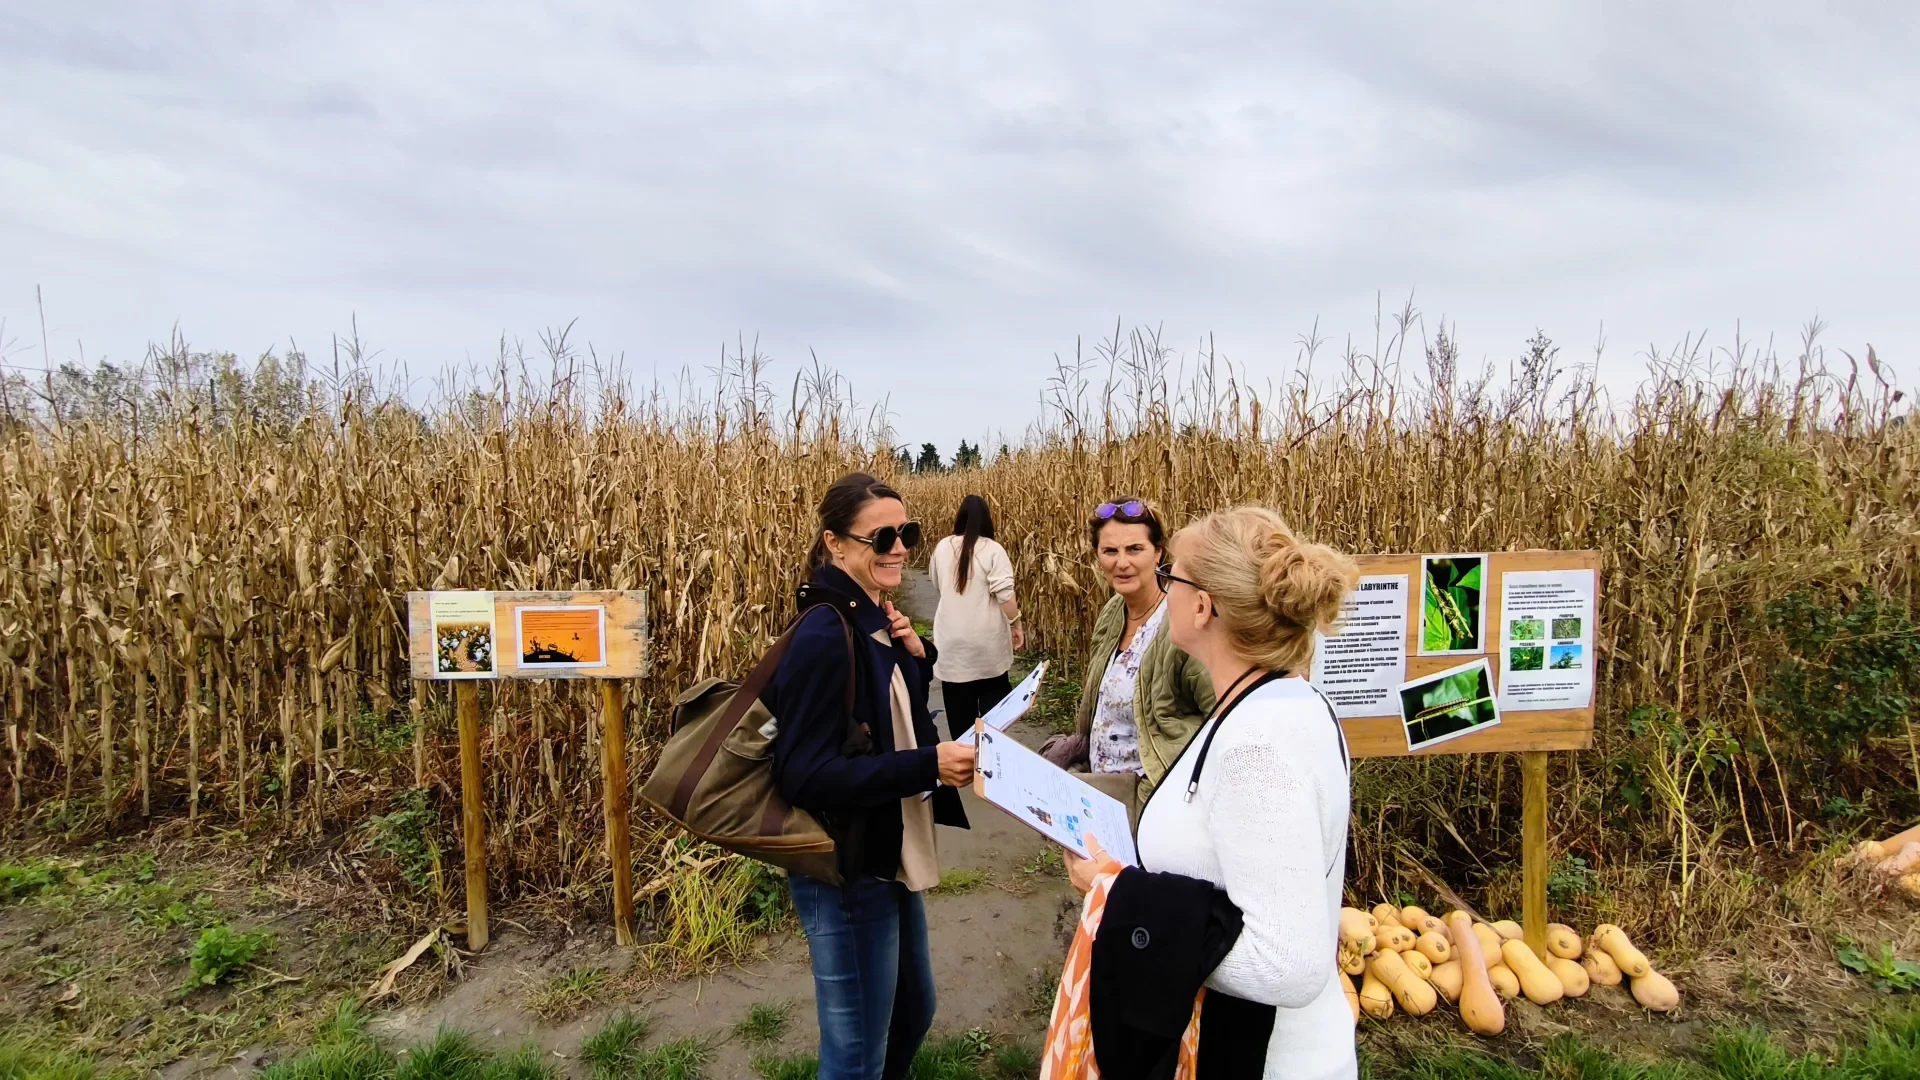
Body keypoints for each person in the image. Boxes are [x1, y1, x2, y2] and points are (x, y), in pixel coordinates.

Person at [1060, 506, 1358, 1079]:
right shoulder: (1271, 702)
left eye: (1172, 577)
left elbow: (1287, 963)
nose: (1161, 588)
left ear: (1203, 605)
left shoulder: (1257, 749)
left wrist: (1116, 895)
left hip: (1261, 1059)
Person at [767, 472, 977, 1080]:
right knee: (857, 1052)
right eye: (881, 536)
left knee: (913, 1010)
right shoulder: (824, 633)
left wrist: (918, 659)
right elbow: (803, 774)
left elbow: (883, 723)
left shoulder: (870, 618)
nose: (899, 547)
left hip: (887, 852)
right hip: (847, 868)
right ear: (835, 544)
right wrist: (927, 767)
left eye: (905, 532)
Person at [1040, 498, 1213, 813]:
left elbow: (1218, 717)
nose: (1121, 563)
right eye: (1110, 551)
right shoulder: (1112, 613)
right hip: (1104, 801)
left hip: (1153, 809)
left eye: (1135, 549)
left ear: (1158, 552)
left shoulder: (1181, 624)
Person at [929, 495, 1024, 740]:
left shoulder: (942, 547)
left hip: (951, 647)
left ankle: (965, 771)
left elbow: (938, 584)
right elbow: (1005, 595)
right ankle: (993, 770)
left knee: (961, 726)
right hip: (987, 646)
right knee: (995, 721)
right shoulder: (993, 550)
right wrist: (1016, 624)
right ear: (987, 521)